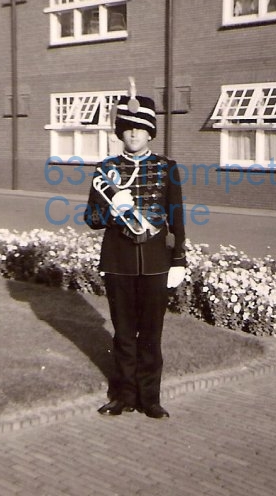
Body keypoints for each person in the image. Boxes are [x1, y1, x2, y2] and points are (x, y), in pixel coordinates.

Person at [85, 90, 186, 420]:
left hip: (156, 262)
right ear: (120, 132)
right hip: (119, 262)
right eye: (127, 128)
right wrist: (112, 211)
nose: (133, 134)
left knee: (152, 335)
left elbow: (176, 217)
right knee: (124, 334)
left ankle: (150, 398)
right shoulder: (106, 169)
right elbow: (91, 218)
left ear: (150, 133)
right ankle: (123, 395)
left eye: (140, 128)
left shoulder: (167, 168)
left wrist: (179, 259)